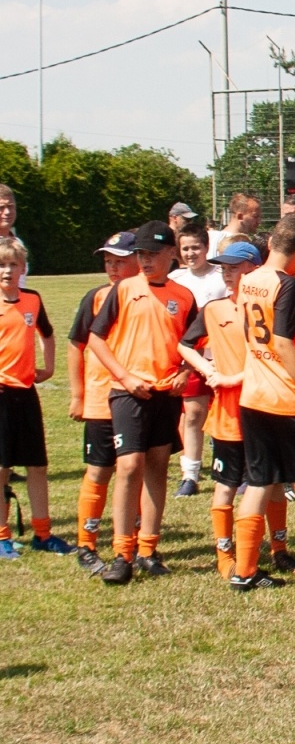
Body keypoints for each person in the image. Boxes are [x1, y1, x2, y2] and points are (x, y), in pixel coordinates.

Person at [229, 214, 295, 590]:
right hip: (289, 398)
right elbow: (286, 341)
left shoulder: (249, 280)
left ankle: (243, 571)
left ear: (272, 240)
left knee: (259, 482)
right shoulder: (285, 285)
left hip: (253, 396)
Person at [86, 221, 198, 583]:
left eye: (152, 254)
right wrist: (125, 376)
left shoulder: (183, 296)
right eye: (141, 255)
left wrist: (183, 371)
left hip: (165, 394)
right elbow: (96, 339)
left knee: (157, 465)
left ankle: (148, 548)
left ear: (171, 255)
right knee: (130, 464)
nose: (146, 261)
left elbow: (193, 344)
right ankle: (122, 552)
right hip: (128, 392)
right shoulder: (123, 290)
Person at [176, 240, 262, 578]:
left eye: (234, 266)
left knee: (266, 484)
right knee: (225, 485)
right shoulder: (213, 309)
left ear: (253, 268)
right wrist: (209, 371)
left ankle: (276, 548)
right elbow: (185, 345)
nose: (226, 273)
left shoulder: (265, 307)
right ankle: (224, 552)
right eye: (223, 267)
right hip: (227, 415)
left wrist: (236, 377)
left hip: (261, 408)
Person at [67, 232, 138, 572]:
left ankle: (133, 542)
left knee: (132, 469)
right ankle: (87, 542)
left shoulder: (145, 295)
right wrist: (78, 394)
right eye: (108, 261)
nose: (112, 267)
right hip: (100, 398)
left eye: (119, 260)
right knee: (99, 469)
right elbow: (76, 343)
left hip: (136, 398)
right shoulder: (96, 297)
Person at [0, 236, 63, 559]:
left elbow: (48, 334)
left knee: (37, 465)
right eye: (1, 265)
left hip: (26, 393)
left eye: (13, 264)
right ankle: (2, 536)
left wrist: (48, 368)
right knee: (2, 468)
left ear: (23, 269)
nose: (7, 271)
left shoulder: (32, 300)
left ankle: (43, 532)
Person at [170, 219, 229, 497]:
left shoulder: (221, 276)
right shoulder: (176, 280)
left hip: (223, 358)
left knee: (225, 414)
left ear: (207, 247)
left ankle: (227, 467)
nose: (191, 253)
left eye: (196, 247)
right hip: (192, 358)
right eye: (185, 249)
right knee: (193, 414)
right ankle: (190, 474)